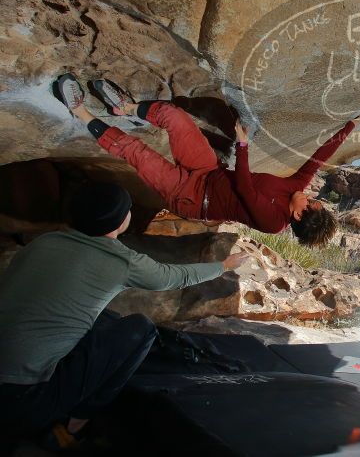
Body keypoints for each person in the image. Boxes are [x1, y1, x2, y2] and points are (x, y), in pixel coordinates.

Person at [0, 182, 248, 451]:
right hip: (21, 400)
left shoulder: (45, 241)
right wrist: (223, 265)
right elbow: (174, 277)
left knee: (106, 318)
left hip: (12, 378)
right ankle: (76, 424)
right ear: (120, 220)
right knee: (139, 329)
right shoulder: (121, 261)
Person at [54, 74, 360, 246]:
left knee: (135, 151)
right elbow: (317, 159)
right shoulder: (295, 189)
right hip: (208, 172)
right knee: (175, 118)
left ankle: (80, 111)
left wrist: (242, 146)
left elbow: (245, 188)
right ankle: (124, 107)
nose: (312, 195)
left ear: (301, 215)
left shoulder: (273, 222)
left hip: (190, 197)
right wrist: (351, 125)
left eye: (312, 203)